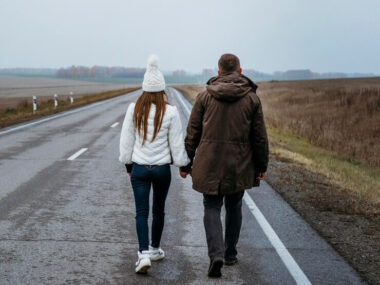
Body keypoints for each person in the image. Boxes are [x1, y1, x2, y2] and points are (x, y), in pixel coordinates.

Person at [180, 53, 269, 278]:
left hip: (209, 162)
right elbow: (259, 137)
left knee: (211, 206)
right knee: (234, 205)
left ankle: (215, 254)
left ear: (218, 72)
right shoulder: (251, 99)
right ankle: (229, 254)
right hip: (239, 163)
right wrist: (261, 165)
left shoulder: (204, 97)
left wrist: (186, 161)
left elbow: (193, 133)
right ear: (240, 71)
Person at [119, 55, 189, 274]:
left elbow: (126, 142)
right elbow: (176, 145)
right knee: (159, 210)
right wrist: (183, 165)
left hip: (139, 168)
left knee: (141, 212)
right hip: (161, 170)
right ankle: (155, 249)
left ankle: (143, 255)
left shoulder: (134, 109)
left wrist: (128, 166)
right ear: (162, 90)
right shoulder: (171, 111)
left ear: (144, 88)